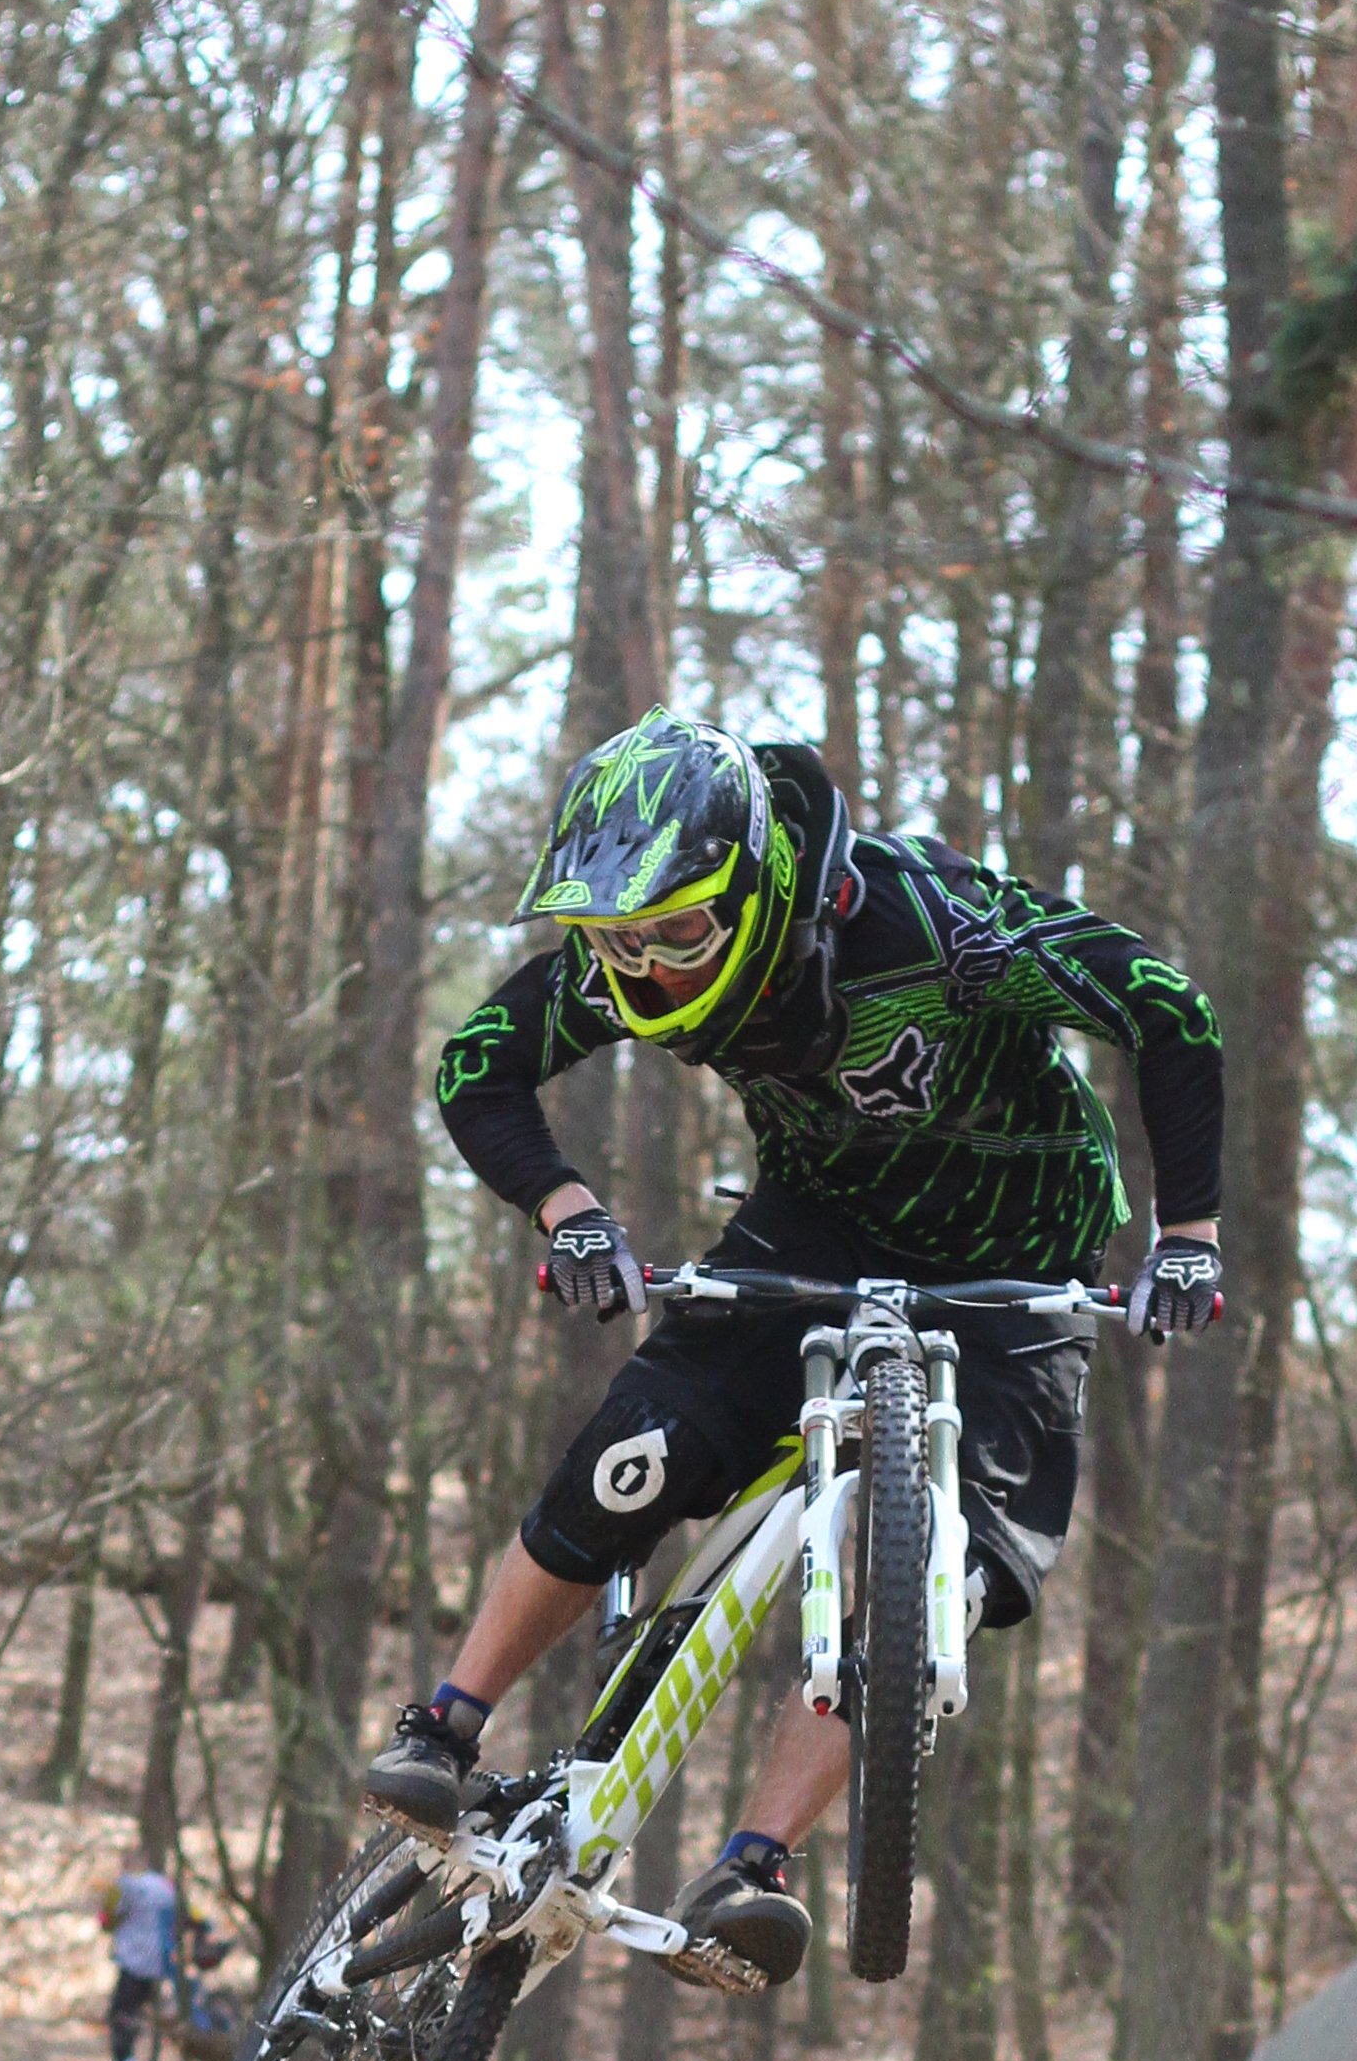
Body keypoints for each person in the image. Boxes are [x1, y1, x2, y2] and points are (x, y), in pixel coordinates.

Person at [367, 711, 1225, 1983]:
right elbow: (478, 1065)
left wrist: (1189, 1236)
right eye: (616, 940)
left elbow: (1168, 1007)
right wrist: (571, 1212)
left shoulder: (940, 927)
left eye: (677, 935)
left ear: (759, 888)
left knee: (950, 1577)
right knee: (640, 1459)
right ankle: (443, 1728)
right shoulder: (624, 967)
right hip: (815, 1228)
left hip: (1024, 1256)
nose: (651, 971)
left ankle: (753, 1867)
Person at [103, 1858, 183, 2061]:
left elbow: (108, 1918)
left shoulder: (127, 1885)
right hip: (160, 1961)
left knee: (121, 2012)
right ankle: (134, 2060)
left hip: (135, 1961)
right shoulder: (166, 1887)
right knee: (138, 2012)